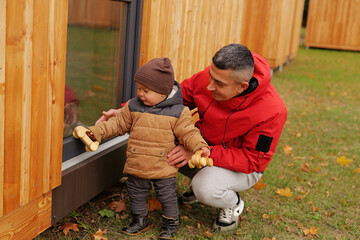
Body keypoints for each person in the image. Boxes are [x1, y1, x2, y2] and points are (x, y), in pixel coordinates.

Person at [97, 44, 287, 232]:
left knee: (205, 188)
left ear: (242, 86)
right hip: (199, 147)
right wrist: (124, 112)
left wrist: (201, 152)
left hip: (241, 167)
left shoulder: (272, 111)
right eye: (210, 77)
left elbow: (254, 160)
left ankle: (232, 202)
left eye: (219, 84)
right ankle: (202, 180)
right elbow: (170, 100)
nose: (209, 85)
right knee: (161, 141)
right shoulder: (213, 77)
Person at [87, 57, 210, 239]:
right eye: (139, 89)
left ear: (163, 92)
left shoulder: (178, 112)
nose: (141, 94)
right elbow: (117, 124)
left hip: (164, 165)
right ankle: (139, 219)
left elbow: (188, 133)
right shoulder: (134, 106)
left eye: (146, 90)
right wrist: (97, 131)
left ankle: (171, 221)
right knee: (136, 193)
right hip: (138, 163)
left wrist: (199, 146)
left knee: (166, 196)